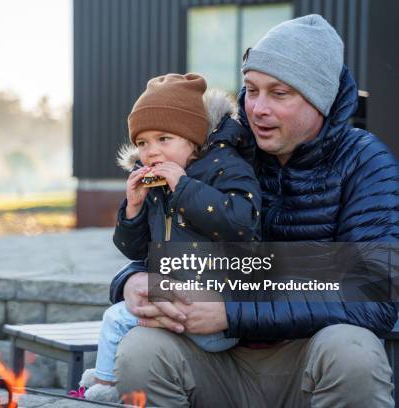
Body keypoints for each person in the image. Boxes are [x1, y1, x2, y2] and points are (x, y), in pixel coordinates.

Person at [109, 14, 399, 407]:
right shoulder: (217, 155)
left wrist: (231, 311)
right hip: (215, 360)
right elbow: (168, 231)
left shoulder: (366, 163)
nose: (257, 108)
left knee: (354, 349)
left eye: (279, 93)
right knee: (141, 348)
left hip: (311, 357)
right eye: (251, 89)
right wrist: (131, 281)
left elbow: (376, 293)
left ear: (320, 98)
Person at [79, 73, 262, 402]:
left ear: (193, 139)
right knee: (128, 313)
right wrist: (132, 209)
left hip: (220, 309)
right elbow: (134, 249)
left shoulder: (226, 167)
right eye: (142, 142)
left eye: (164, 138)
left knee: (117, 319)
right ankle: (108, 374)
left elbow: (242, 223)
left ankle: (105, 385)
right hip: (178, 298)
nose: (151, 152)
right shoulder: (156, 185)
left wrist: (186, 189)